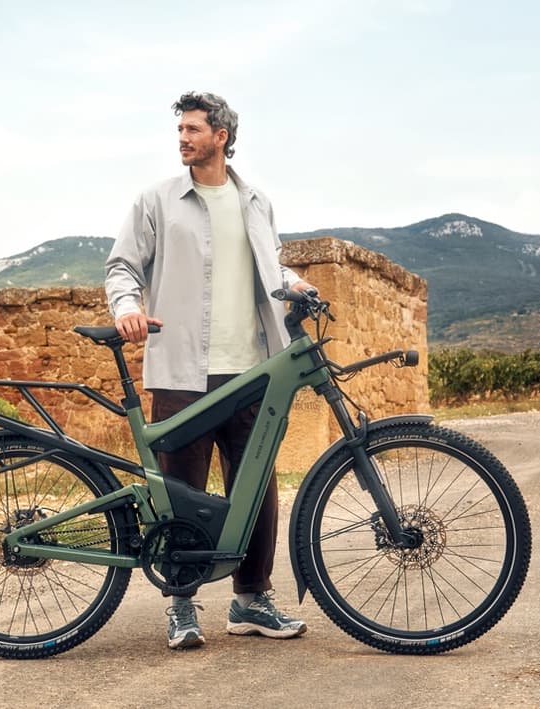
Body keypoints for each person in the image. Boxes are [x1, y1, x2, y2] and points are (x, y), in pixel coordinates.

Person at [105, 91, 317, 650]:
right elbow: (123, 265)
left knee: (256, 487)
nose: (183, 138)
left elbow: (268, 264)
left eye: (193, 129)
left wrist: (292, 281)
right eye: (180, 130)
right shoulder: (156, 200)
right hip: (181, 371)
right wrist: (126, 308)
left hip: (253, 370)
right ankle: (181, 604)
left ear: (221, 137)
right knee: (181, 493)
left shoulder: (255, 202)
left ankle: (251, 600)